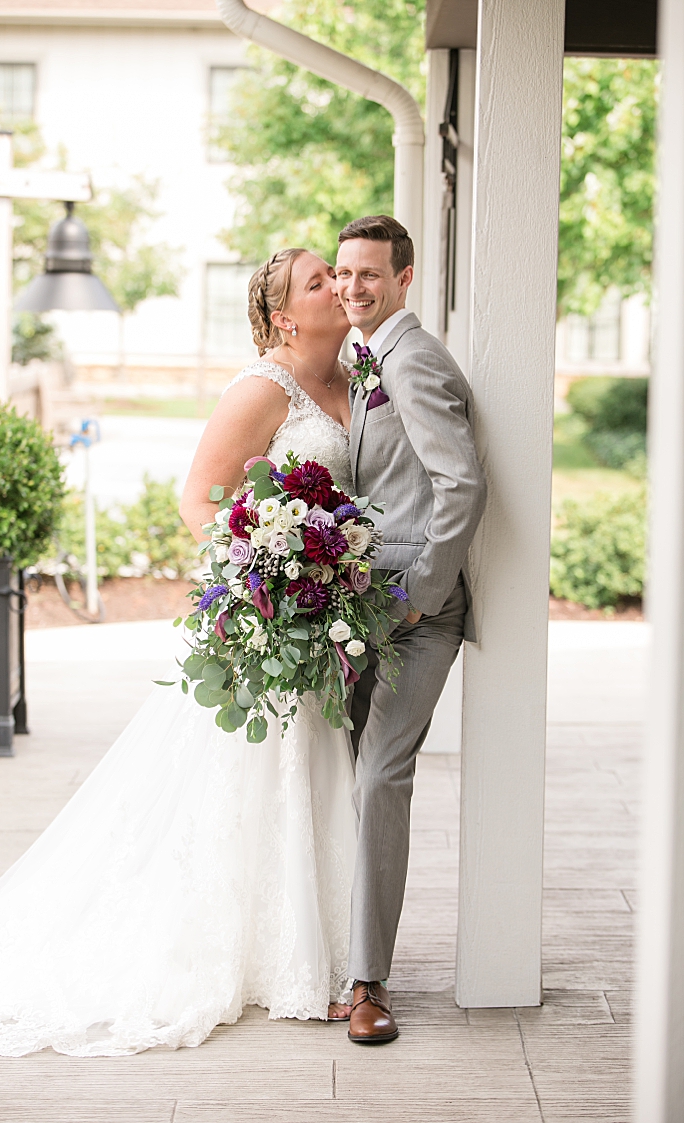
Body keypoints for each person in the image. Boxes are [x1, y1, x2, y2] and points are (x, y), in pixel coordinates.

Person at [0, 248, 362, 1056]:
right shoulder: (262, 388)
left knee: (313, 767)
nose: (336, 288)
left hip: (329, 612)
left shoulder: (353, 379)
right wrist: (263, 573)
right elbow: (198, 498)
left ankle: (324, 950)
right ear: (282, 316)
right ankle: (244, 948)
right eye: (318, 281)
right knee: (250, 777)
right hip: (268, 613)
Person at [333, 215, 486, 1044]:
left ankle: (369, 983)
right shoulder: (369, 359)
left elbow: (460, 484)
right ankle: (343, 950)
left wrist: (423, 595)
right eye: (344, 272)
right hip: (360, 599)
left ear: (405, 276)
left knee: (380, 776)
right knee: (347, 771)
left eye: (370, 274)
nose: (354, 286)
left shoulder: (415, 359)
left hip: (415, 611)